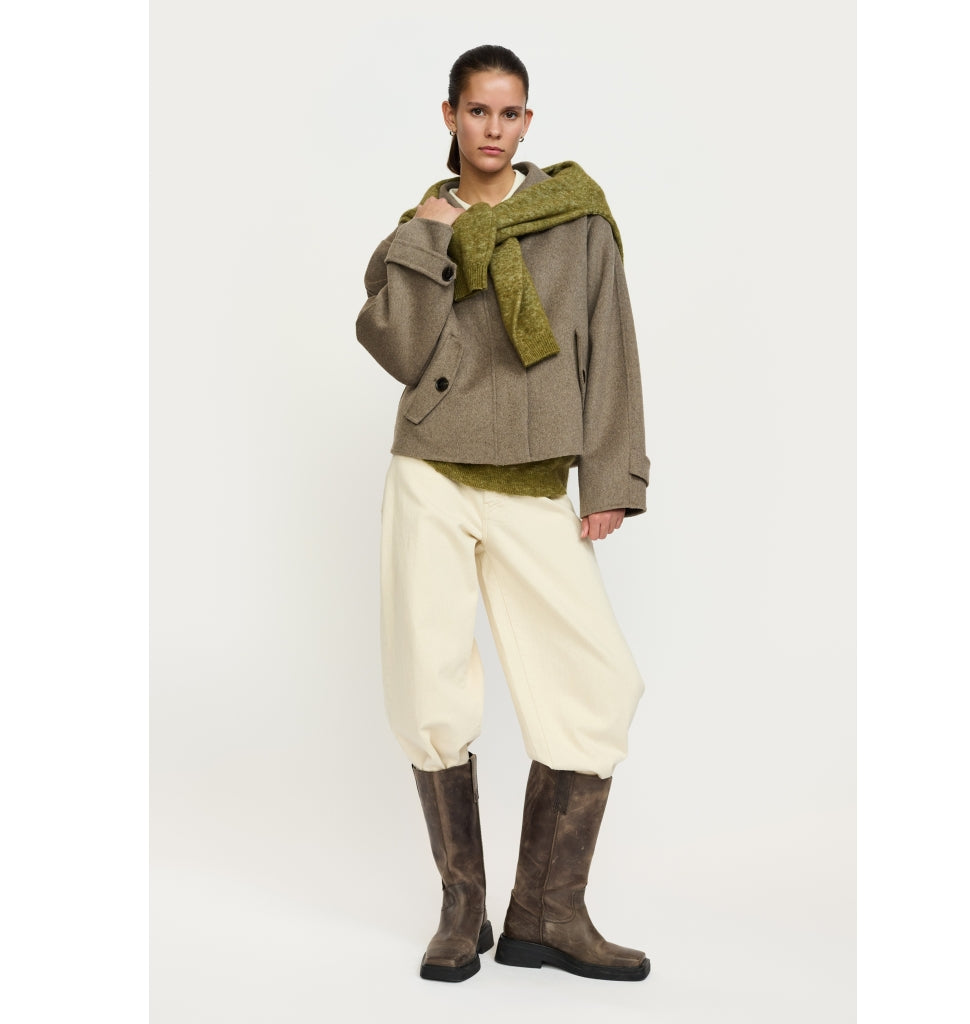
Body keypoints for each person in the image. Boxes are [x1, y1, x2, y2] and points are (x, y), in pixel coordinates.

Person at [355, 43, 651, 983]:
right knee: (430, 684)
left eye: (510, 112)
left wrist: (610, 478)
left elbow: (611, 344)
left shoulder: (577, 218)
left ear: (528, 121)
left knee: (597, 685)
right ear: (450, 117)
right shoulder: (418, 226)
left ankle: (546, 912)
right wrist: (428, 234)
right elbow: (399, 350)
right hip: (432, 472)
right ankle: (462, 909)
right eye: (477, 111)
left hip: (531, 478)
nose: (494, 128)